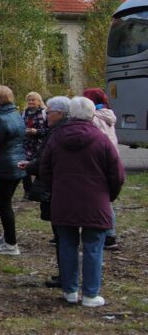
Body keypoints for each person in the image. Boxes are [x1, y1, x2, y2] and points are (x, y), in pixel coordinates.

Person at [40, 97, 124, 307]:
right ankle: (90, 294)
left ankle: (69, 290)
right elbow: (117, 173)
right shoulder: (101, 138)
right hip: (95, 199)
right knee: (93, 247)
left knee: (67, 244)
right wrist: (109, 194)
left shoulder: (57, 137)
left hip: (64, 198)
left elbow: (45, 168)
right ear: (91, 114)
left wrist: (55, 188)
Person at [21, 95, 71, 288]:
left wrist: (31, 167)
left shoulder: (56, 134)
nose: (46, 115)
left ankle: (67, 276)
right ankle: (69, 276)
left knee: (63, 237)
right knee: (68, 237)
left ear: (59, 113)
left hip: (56, 190)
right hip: (69, 190)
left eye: (49, 112)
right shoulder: (72, 131)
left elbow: (45, 162)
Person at [0, 85, 26, 256]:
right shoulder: (16, 114)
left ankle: (11, 243)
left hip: (4, 166)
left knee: (4, 205)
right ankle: (8, 236)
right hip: (18, 163)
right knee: (6, 204)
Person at [83, 88, 120, 250]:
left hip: (99, 161)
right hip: (111, 159)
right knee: (105, 199)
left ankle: (106, 235)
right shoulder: (108, 114)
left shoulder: (94, 118)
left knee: (99, 199)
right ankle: (110, 234)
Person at [22, 92, 48, 195]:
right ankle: (27, 190)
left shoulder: (45, 113)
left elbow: (49, 129)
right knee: (25, 167)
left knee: (40, 166)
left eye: (33, 100)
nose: (31, 102)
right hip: (27, 144)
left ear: (39, 101)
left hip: (40, 144)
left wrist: (37, 131)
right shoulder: (24, 113)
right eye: (29, 100)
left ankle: (40, 188)